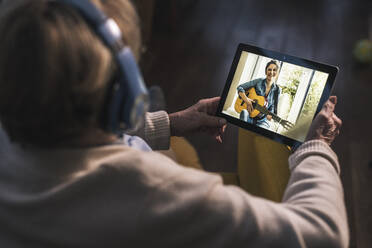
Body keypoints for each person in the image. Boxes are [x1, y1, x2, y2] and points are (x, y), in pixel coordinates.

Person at [0, 0, 348, 247]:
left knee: (179, 144)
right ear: (126, 91)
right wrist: (315, 147)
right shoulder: (160, 195)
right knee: (273, 138)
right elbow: (323, 235)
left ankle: (164, 115)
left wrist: (172, 123)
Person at [237, 60, 281, 129]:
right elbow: (240, 87)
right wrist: (247, 100)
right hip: (249, 115)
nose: (271, 72)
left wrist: (270, 116)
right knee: (244, 112)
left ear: (277, 72)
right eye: (269, 69)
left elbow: (273, 109)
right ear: (266, 71)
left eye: (274, 70)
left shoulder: (277, 90)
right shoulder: (259, 81)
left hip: (262, 121)